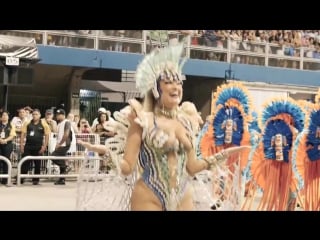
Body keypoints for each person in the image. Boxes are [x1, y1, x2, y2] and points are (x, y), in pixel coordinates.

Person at [78, 44, 249, 211]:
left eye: (179, 83)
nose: (176, 87)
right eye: (168, 82)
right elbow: (127, 167)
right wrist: (105, 152)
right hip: (148, 193)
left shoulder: (187, 122)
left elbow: (192, 167)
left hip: (183, 195)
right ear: (157, 89)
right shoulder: (142, 120)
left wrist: (222, 155)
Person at [20, 109, 50, 185]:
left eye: (36, 114)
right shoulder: (27, 123)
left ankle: (36, 180)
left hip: (38, 147)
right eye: (33, 114)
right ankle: (21, 178)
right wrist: (21, 146)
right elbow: (23, 134)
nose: (34, 116)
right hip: (28, 146)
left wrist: (44, 147)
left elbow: (47, 136)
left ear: (40, 115)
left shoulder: (44, 124)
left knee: (37, 164)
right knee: (25, 163)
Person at [51, 109, 75, 185]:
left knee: (53, 156)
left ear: (63, 115)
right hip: (61, 144)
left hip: (65, 144)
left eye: (58, 114)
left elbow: (66, 134)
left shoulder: (67, 122)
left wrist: (60, 144)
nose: (57, 116)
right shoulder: (59, 124)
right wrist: (57, 144)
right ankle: (62, 179)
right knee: (61, 159)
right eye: (56, 114)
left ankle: (66, 167)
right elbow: (58, 135)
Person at [0, 111, 16, 184]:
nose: (4, 116)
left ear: (8, 117)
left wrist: (5, 140)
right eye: (3, 115)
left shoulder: (11, 125)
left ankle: (5, 179)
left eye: (6, 115)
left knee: (6, 161)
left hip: (7, 144)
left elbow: (12, 135)